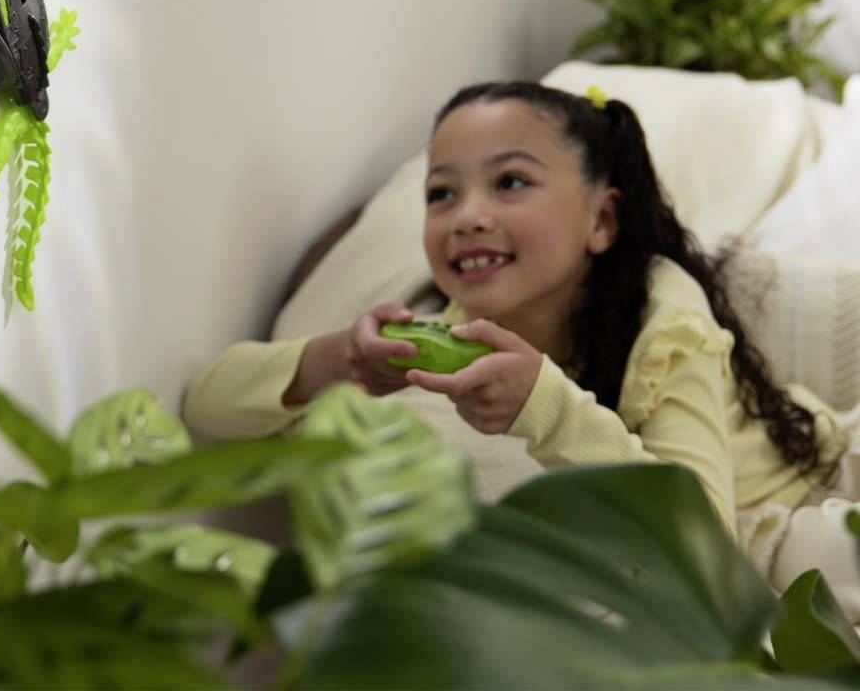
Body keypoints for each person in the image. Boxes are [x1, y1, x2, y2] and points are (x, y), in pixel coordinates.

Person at [183, 80, 860, 613]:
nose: (468, 216)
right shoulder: (436, 330)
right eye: (441, 194)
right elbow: (207, 404)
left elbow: (702, 536)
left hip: (804, 487)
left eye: (510, 183)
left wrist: (545, 405)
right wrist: (341, 360)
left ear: (601, 220)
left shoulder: (662, 305)